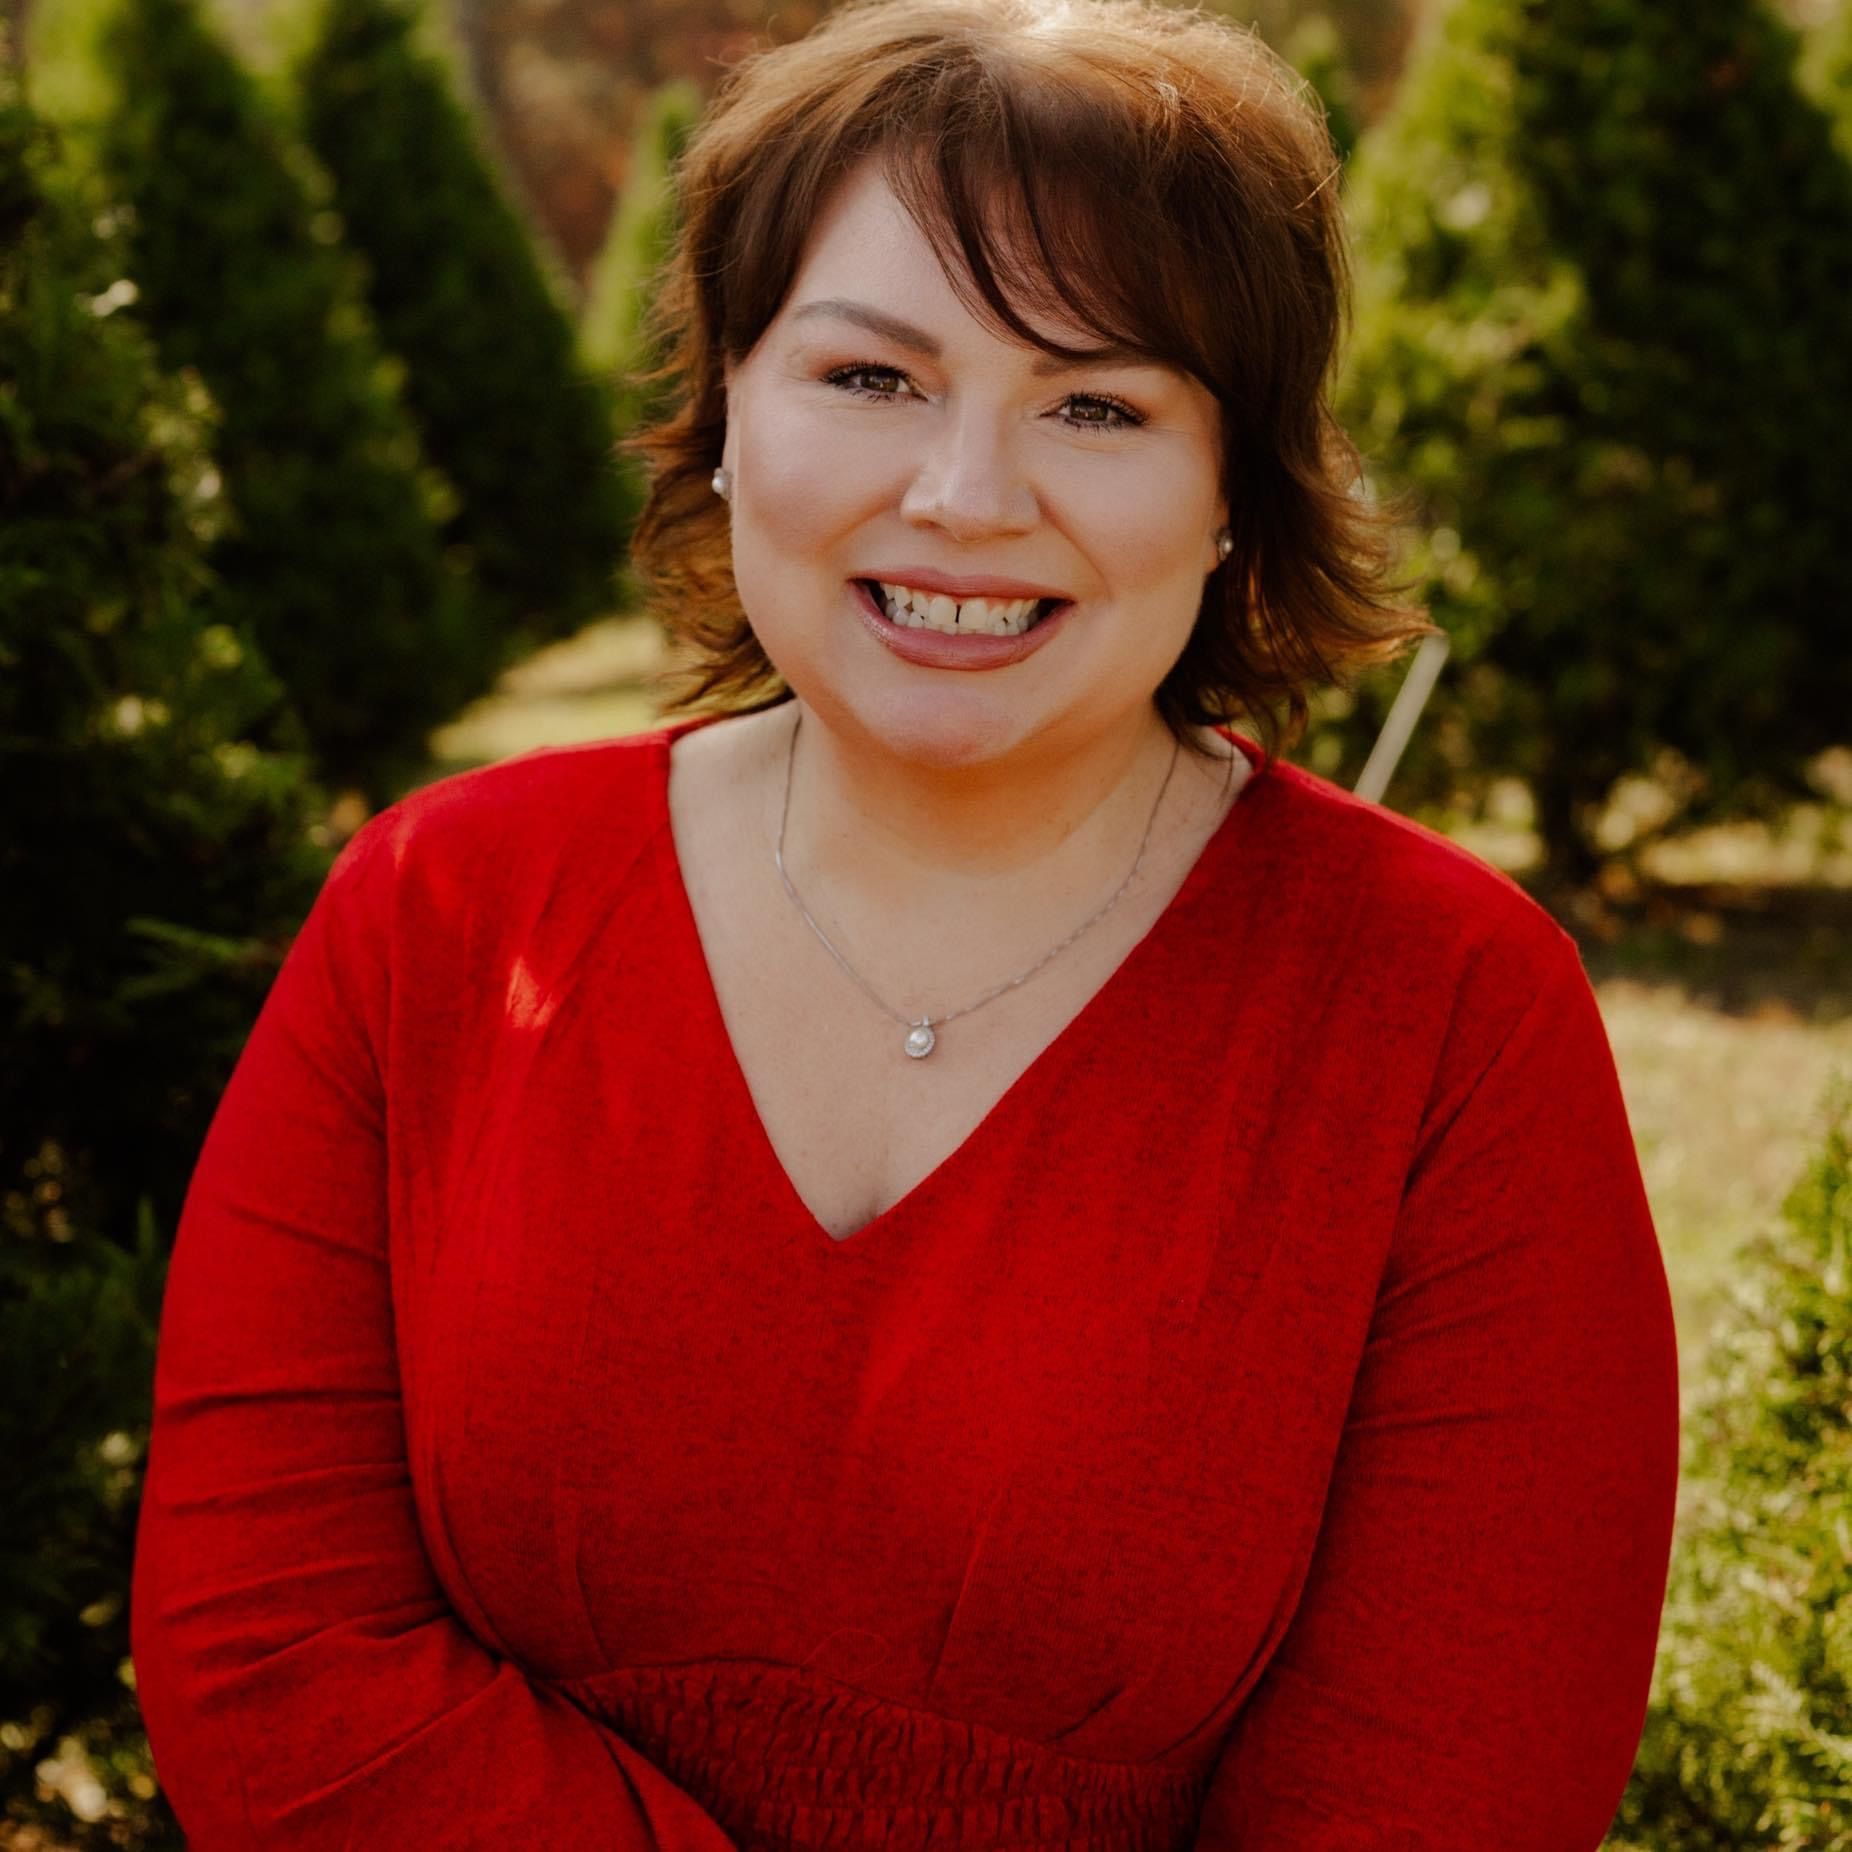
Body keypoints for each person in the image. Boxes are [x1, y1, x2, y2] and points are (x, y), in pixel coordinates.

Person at [129, 0, 1682, 1844]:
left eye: (1096, 403)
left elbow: (1454, 1783)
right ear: (727, 419)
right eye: (870, 378)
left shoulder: (1450, 1017)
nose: (962, 498)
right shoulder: (442, 910)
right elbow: (268, 1654)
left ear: (1231, 496)